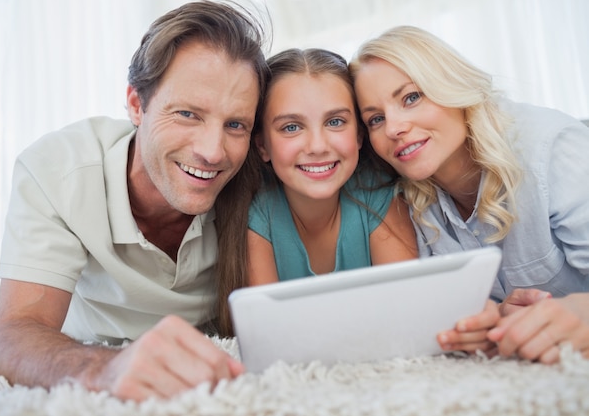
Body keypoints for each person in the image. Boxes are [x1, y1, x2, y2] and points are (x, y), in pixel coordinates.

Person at [0, 0, 269, 402]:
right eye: (188, 114)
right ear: (136, 105)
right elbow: (13, 333)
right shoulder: (56, 170)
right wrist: (105, 367)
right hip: (96, 349)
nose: (213, 151)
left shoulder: (257, 178)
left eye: (235, 124)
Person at [348, 25, 589, 363]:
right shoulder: (410, 199)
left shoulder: (552, 150)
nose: (393, 128)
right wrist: (494, 318)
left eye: (411, 97)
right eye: (375, 119)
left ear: (451, 86)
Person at [247, 48, 417, 284]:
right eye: (291, 127)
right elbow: (263, 319)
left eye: (335, 122)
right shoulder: (257, 212)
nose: (317, 147)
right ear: (262, 145)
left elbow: (406, 304)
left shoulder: (377, 195)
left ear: (359, 134)